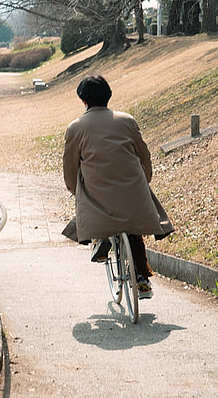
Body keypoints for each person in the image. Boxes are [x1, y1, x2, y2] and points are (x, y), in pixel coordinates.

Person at [62, 75, 173, 299]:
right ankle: (142, 279)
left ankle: (101, 241)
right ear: (108, 95)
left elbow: (70, 168)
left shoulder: (76, 128)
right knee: (133, 228)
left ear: (83, 99)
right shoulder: (127, 121)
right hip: (133, 192)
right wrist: (145, 180)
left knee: (98, 210)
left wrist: (76, 191)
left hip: (98, 195)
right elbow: (144, 155)